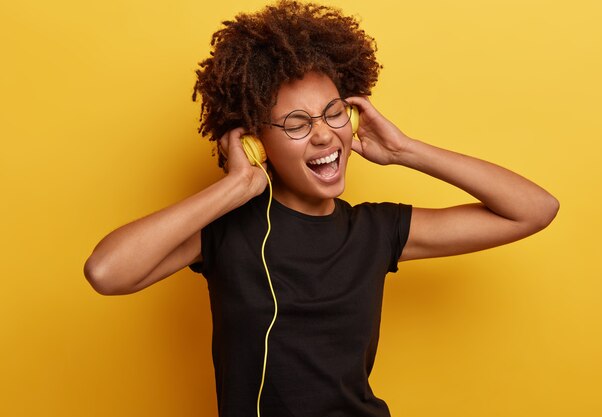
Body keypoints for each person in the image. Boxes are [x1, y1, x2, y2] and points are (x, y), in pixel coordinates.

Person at [83, 1, 559, 416]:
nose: (324, 134)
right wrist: (234, 188)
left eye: (334, 113)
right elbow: (107, 272)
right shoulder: (226, 232)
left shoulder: (378, 230)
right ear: (255, 139)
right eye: (295, 123)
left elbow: (534, 209)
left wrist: (405, 151)